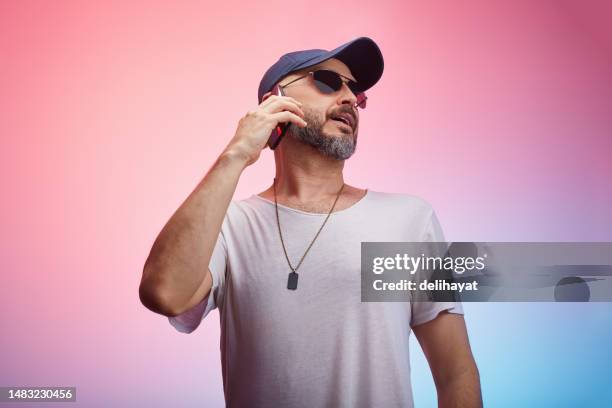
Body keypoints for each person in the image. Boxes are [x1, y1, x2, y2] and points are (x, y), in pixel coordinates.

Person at [139, 37, 482, 408]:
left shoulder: (408, 221)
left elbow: (455, 374)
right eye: (328, 81)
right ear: (275, 103)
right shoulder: (229, 227)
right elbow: (165, 294)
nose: (351, 99)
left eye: (357, 93)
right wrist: (236, 154)